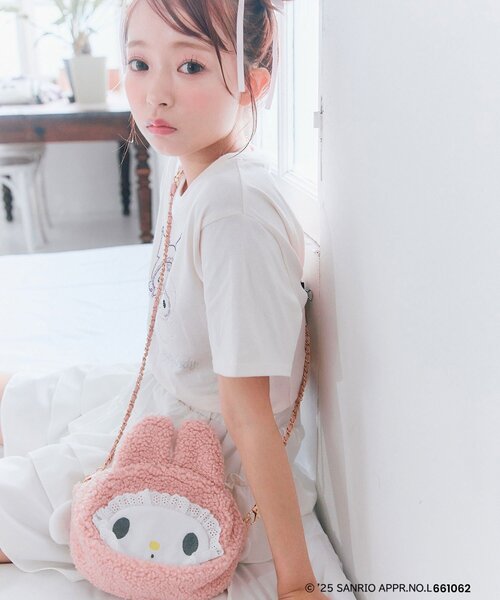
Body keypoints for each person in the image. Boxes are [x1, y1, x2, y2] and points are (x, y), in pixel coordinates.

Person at [0, 1, 353, 598]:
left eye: (190, 67)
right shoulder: (195, 171)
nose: (155, 96)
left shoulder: (234, 212)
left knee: (24, 497)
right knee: (26, 393)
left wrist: (297, 583)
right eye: (140, 63)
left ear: (254, 84)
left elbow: (249, 414)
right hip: (160, 394)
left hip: (198, 457)